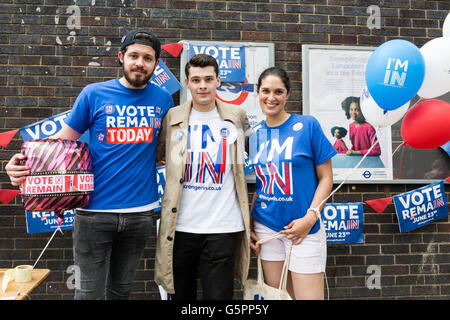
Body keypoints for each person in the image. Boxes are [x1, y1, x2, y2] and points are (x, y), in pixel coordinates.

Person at [5, 29, 174, 300]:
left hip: (141, 213)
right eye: (134, 56)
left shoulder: (163, 100)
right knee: (88, 294)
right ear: (121, 57)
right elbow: (57, 146)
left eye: (148, 57)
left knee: (121, 292)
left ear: (156, 63)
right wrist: (21, 167)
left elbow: (163, 148)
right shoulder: (93, 94)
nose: (140, 63)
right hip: (93, 213)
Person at [154, 54, 252, 300]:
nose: (202, 85)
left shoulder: (237, 116)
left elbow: (250, 153)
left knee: (219, 298)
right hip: (180, 227)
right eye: (196, 80)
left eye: (208, 79)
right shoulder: (172, 118)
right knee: (181, 296)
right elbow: (158, 156)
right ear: (187, 83)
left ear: (218, 81)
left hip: (223, 226)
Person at [249, 67, 336, 300]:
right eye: (265, 91)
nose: (271, 97)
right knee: (279, 297)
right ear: (258, 93)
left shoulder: (307, 126)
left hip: (304, 229)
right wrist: (249, 224)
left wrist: (311, 217)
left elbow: (326, 178)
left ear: (287, 95)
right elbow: (261, 184)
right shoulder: (255, 135)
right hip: (266, 227)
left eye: (278, 91)